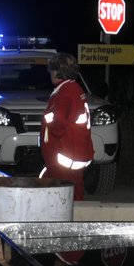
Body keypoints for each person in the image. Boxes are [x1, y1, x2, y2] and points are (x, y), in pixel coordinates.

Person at [39, 52, 95, 201]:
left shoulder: (65, 92)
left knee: (60, 195)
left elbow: (58, 124)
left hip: (65, 156)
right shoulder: (73, 88)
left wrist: (48, 121)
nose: (50, 73)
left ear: (57, 71)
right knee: (73, 191)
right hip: (74, 153)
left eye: (52, 70)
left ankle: (66, 222)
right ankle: (74, 220)